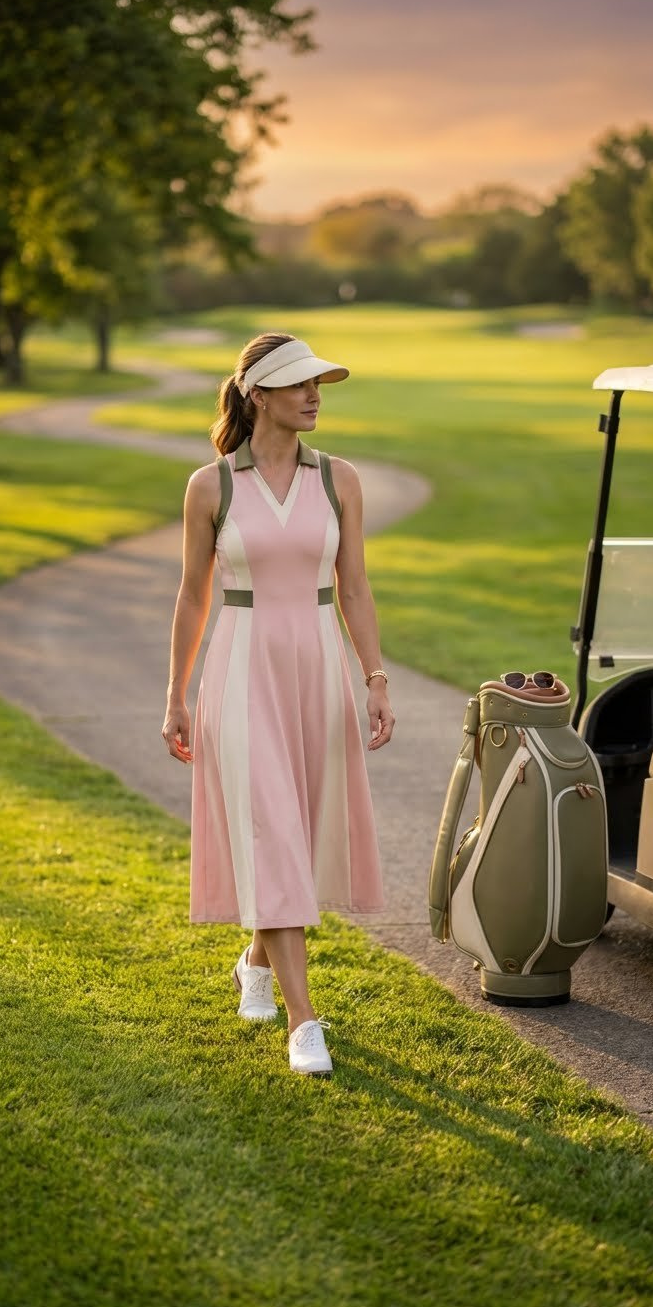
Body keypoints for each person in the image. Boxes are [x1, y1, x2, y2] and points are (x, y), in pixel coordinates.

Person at [163, 332, 394, 1076]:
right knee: (273, 832)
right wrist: (175, 693)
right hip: (240, 671)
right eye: (299, 384)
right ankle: (304, 1020)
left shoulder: (340, 480)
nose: (315, 394)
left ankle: (253, 964)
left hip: (317, 668)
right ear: (257, 393)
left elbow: (354, 588)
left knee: (297, 828)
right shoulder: (211, 486)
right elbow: (194, 595)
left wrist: (376, 677)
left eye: (320, 382)